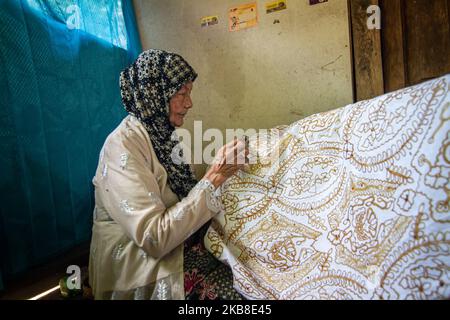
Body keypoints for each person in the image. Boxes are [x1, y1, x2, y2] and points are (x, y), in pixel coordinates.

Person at [88, 49, 247, 300]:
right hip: (139, 263)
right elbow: (155, 238)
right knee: (237, 292)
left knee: (247, 257)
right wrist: (214, 177)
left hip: (177, 242)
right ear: (156, 94)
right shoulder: (122, 146)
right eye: (181, 93)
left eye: (189, 93)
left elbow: (182, 196)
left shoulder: (160, 134)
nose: (189, 103)